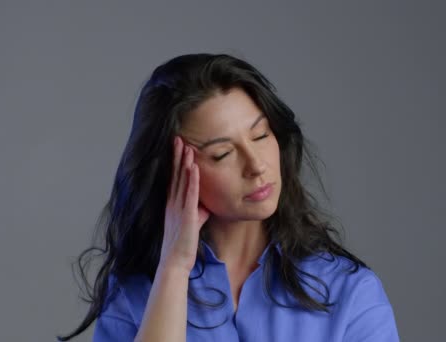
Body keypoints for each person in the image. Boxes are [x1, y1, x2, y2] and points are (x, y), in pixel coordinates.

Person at [56, 53, 400, 342]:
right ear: (170, 172)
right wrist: (174, 268)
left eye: (261, 135)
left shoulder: (350, 291)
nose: (256, 166)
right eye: (222, 154)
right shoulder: (135, 292)